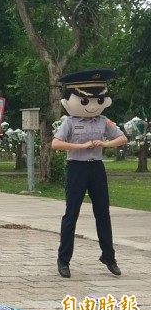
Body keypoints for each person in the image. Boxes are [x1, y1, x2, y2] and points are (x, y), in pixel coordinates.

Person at [52, 69, 127, 278]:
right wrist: (80, 146)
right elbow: (56, 143)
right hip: (76, 168)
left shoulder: (103, 121)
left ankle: (109, 257)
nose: (93, 105)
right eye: (86, 100)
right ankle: (64, 259)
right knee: (71, 213)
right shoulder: (69, 121)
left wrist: (105, 143)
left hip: (97, 168)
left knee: (102, 212)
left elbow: (122, 138)